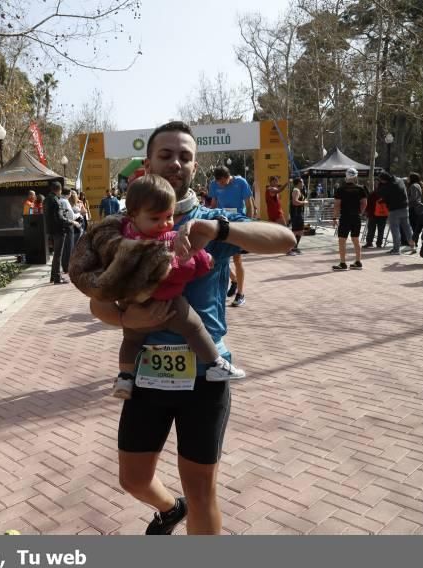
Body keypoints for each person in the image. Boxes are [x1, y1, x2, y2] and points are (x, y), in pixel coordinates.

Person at [72, 121, 295, 535]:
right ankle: (169, 508)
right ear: (148, 162)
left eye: (185, 156)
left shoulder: (210, 220)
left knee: (201, 491)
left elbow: (285, 239)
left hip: (205, 377)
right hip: (146, 374)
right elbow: (96, 300)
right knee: (133, 478)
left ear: (195, 166)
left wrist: (220, 230)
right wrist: (125, 319)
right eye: (166, 155)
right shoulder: (125, 227)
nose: (176, 163)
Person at [84, 174, 246, 399]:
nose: (164, 224)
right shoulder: (168, 238)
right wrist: (203, 262)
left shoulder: (119, 238)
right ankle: (214, 364)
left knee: (130, 339)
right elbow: (183, 268)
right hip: (169, 304)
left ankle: (125, 376)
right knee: (195, 328)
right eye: (155, 219)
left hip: (132, 307)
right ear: (133, 216)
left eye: (169, 216)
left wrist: (125, 317)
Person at [208, 166, 254, 307]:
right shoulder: (213, 185)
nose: (221, 184)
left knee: (237, 259)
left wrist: (248, 225)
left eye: (224, 182)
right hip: (222, 224)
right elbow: (214, 204)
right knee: (217, 258)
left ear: (229, 176)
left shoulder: (241, 182)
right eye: (219, 182)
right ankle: (233, 280)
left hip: (238, 224)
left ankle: (240, 294)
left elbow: (249, 204)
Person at [331, 168, 367, 271]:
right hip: (356, 217)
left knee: (342, 240)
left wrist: (334, 218)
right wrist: (360, 212)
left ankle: (343, 263)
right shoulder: (361, 189)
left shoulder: (340, 189)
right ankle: (358, 261)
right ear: (356, 176)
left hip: (345, 217)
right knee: (355, 239)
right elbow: (364, 203)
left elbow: (337, 205)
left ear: (346, 176)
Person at [377, 171, 416, 255]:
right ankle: (413, 246)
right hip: (405, 208)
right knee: (407, 228)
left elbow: (382, 195)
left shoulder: (388, 186)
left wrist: (382, 199)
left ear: (384, 180)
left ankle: (396, 249)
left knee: (395, 229)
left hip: (394, 210)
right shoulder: (399, 180)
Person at [43, 181, 72, 284]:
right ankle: (57, 278)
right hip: (59, 230)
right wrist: (71, 222)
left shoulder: (46, 199)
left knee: (56, 255)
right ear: (59, 190)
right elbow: (60, 218)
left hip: (51, 230)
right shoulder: (55, 200)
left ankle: (53, 276)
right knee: (58, 255)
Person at [287, 177, 308, 256]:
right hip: (296, 214)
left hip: (298, 214)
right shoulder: (296, 190)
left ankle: (294, 247)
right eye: (302, 182)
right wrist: (304, 202)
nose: (303, 184)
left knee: (300, 231)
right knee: (295, 231)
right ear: (298, 183)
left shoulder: (298, 190)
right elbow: (294, 202)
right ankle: (289, 249)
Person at [364, 184, 389, 248]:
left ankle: (369, 242)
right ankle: (379, 243)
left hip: (372, 214)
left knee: (371, 229)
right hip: (383, 214)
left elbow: (368, 204)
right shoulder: (386, 195)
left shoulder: (372, 194)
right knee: (381, 230)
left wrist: (366, 212)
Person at [407, 172, 423, 244]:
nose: (408, 179)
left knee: (413, 225)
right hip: (417, 207)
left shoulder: (413, 186)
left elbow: (413, 197)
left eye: (409, 177)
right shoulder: (418, 185)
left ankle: (414, 241)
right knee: (415, 225)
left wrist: (406, 201)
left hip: (413, 207)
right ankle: (415, 241)